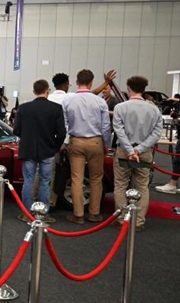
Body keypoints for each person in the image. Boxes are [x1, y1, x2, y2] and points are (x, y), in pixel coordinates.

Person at [112, 76, 163, 232]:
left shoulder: (120, 107)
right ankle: (139, 221)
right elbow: (157, 133)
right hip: (145, 152)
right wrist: (139, 150)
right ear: (144, 89)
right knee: (142, 186)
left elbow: (118, 131)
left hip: (123, 152)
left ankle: (122, 219)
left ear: (128, 88)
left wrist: (129, 149)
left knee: (120, 184)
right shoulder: (154, 109)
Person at [62, 69, 111, 224]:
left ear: (77, 82)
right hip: (95, 142)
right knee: (97, 178)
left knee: (77, 178)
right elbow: (106, 127)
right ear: (91, 83)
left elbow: (64, 124)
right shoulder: (100, 101)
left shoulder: (68, 100)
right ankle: (94, 213)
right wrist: (107, 144)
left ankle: (78, 215)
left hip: (76, 141)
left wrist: (65, 142)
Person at [13, 80, 65, 223]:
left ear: (33, 91)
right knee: (45, 182)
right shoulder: (56, 108)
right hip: (48, 150)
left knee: (28, 180)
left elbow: (16, 130)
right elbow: (61, 133)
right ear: (47, 90)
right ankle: (43, 213)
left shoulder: (23, 108)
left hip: (28, 149)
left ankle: (26, 213)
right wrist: (55, 147)